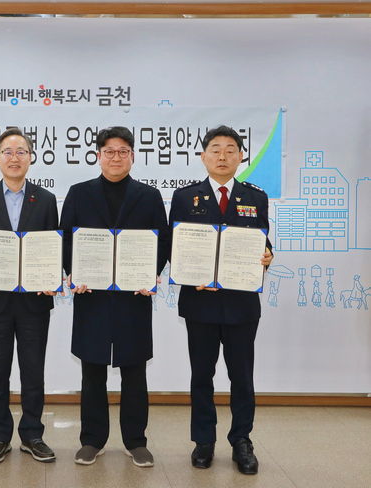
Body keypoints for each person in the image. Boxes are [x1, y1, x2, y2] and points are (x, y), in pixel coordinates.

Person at [60, 126, 170, 467]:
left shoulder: (149, 196)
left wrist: (150, 274)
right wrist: (73, 272)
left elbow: (162, 241)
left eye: (123, 151)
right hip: (91, 294)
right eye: (109, 151)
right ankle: (92, 440)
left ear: (133, 156)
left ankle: (136, 441)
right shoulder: (79, 193)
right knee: (92, 369)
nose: (116, 157)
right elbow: (66, 238)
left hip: (133, 296)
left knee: (134, 370)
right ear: (98, 156)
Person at [168, 125, 273, 475]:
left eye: (230, 149)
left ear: (241, 156)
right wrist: (189, 273)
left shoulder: (255, 197)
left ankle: (242, 440)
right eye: (215, 149)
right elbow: (174, 247)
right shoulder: (186, 197)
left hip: (242, 304)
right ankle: (204, 440)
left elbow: (263, 242)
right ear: (203, 156)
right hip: (200, 304)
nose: (223, 156)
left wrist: (268, 255)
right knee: (202, 375)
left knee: (242, 377)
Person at [0, 128, 59, 465]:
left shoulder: (46, 199)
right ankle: (0, 436)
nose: (14, 157)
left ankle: (32, 435)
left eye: (21, 151)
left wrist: (52, 275)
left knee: (33, 370)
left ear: (31, 158)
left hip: (34, 300)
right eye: (8, 151)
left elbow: (53, 243)